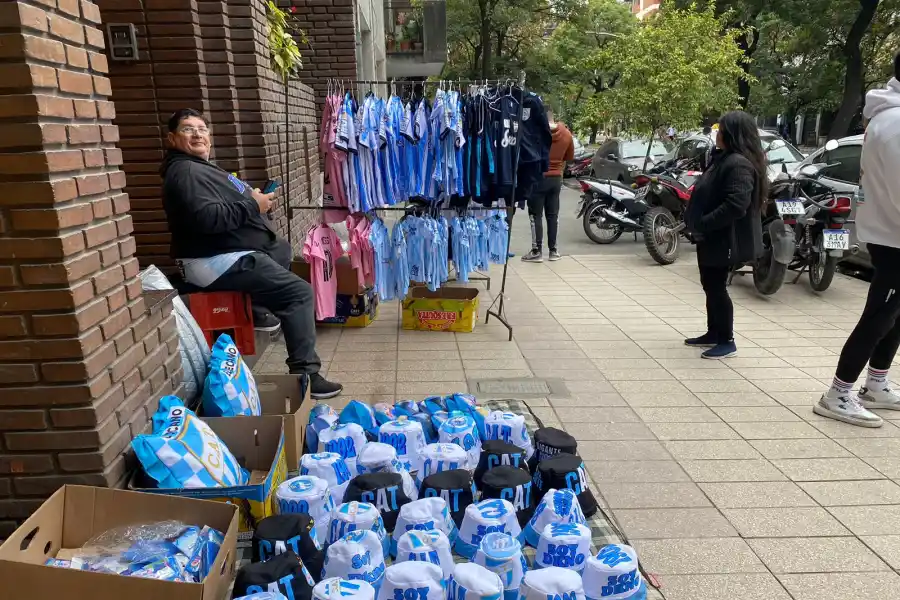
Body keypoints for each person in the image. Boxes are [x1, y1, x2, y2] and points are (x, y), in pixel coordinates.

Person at [161, 108, 343, 399]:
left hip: (230, 254)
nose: (197, 134)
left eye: (202, 128)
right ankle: (305, 375)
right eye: (187, 129)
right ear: (172, 139)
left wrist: (250, 195)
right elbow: (206, 219)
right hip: (218, 260)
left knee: (280, 249)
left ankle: (259, 310)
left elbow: (229, 197)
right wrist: (253, 205)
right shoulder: (186, 172)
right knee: (299, 293)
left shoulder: (201, 168)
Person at [814, 53, 900, 428]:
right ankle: (838, 393)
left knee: (894, 316)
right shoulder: (896, 122)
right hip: (894, 237)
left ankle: (876, 384)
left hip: (891, 232)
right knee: (878, 316)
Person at [683, 111, 765, 359]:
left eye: (720, 130)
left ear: (732, 134)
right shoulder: (723, 158)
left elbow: (735, 205)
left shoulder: (739, 163)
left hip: (722, 237)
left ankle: (727, 340)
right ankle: (713, 332)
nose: (716, 134)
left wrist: (704, 223)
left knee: (717, 287)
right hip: (709, 236)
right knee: (709, 284)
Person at [522, 107, 574, 263]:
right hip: (556, 178)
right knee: (553, 215)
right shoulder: (566, 133)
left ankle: (537, 251)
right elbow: (569, 157)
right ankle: (553, 251)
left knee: (535, 215)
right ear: (553, 117)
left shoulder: (534, 132)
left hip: (537, 177)